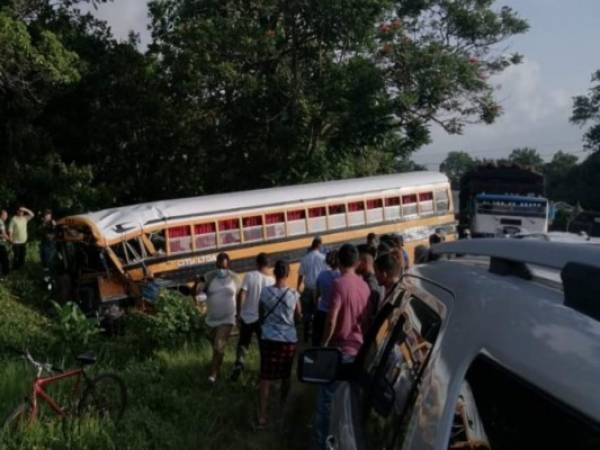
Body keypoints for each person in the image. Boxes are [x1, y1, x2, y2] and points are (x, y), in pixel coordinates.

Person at [314, 244, 370, 450]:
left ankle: (322, 445)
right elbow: (365, 320)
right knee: (350, 405)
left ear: (338, 262)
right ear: (356, 262)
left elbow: (332, 317)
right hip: (357, 349)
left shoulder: (339, 284)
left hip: (339, 350)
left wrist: (324, 344)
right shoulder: (364, 286)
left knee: (326, 404)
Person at [257, 260, 301, 429]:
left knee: (266, 377)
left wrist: (268, 327)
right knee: (285, 376)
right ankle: (282, 407)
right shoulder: (293, 294)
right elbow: (298, 316)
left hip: (268, 338)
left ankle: (262, 415)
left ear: (275, 273)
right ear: (288, 274)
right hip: (288, 340)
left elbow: (260, 315)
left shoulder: (265, 292)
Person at [230, 253, 274, 381]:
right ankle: (264, 371)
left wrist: (238, 313)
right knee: (263, 345)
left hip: (247, 317)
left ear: (257, 264)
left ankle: (239, 365)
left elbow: (242, 294)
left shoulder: (249, 275)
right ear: (268, 265)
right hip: (263, 320)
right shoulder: (271, 280)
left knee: (243, 344)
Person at [203, 252, 241, 384]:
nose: (221, 270)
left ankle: (212, 376)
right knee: (217, 347)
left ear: (229, 266)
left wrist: (239, 315)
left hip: (228, 318)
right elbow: (200, 292)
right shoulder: (209, 277)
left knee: (218, 346)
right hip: (211, 320)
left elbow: (241, 296)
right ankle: (218, 368)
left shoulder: (235, 278)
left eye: (224, 268)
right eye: (219, 267)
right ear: (216, 265)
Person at [297, 236, 327, 343]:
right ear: (319, 245)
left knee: (306, 313)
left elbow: (300, 275)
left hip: (308, 289)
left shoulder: (305, 258)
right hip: (319, 290)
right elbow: (326, 273)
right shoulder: (323, 258)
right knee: (318, 314)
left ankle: (305, 335)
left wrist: (298, 287)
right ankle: (316, 335)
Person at [313, 250, 340, 347]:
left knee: (318, 340)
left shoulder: (322, 275)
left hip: (322, 311)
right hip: (336, 313)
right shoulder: (340, 277)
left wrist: (316, 307)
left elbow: (317, 295)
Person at [356, 244, 382, 317]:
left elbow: (370, 314)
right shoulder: (376, 279)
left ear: (364, 262)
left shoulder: (370, 284)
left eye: (356, 261)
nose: (354, 265)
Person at [0, 209, 10, 277]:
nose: (6, 217)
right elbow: (3, 234)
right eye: (5, 215)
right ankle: (5, 275)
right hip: (1, 244)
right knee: (5, 260)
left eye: (7, 215)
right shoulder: (1, 223)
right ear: (1, 215)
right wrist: (10, 239)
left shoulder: (2, 222)